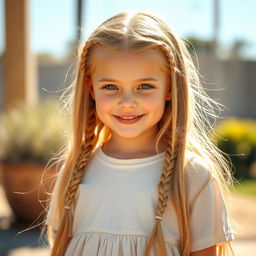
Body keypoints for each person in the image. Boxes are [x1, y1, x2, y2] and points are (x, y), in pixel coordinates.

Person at [44, 11, 235, 256]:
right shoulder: (75, 170)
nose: (127, 102)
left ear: (170, 88)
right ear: (91, 89)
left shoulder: (193, 175)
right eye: (110, 87)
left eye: (145, 86)